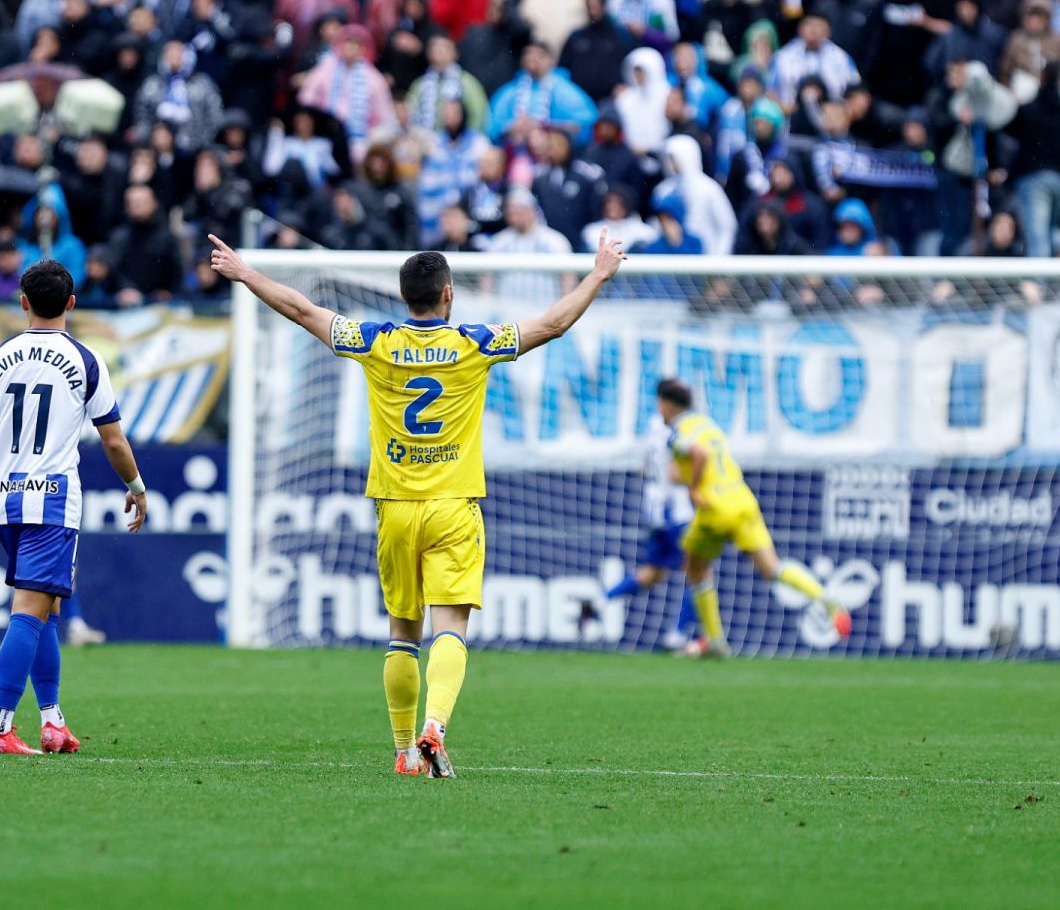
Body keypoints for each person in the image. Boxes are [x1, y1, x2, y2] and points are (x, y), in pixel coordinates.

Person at [205, 232, 627, 778]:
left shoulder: (374, 339)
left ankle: (405, 751)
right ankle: (437, 728)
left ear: (404, 297)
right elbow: (552, 325)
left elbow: (302, 308)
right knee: (449, 626)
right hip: (453, 505)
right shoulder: (475, 343)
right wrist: (597, 274)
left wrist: (247, 273)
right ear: (448, 294)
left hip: (395, 507)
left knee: (402, 632)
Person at [0, 260, 150, 755]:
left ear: (23, 302)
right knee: (30, 612)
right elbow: (113, 440)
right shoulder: (84, 361)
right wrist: (137, 486)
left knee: (48, 609)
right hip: (53, 500)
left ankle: (52, 720)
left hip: (2, 499)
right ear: (72, 304)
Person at [653, 377, 850, 659]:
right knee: (772, 568)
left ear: (667, 404)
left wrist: (694, 488)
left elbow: (699, 454)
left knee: (694, 566)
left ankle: (716, 640)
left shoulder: (677, 431)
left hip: (715, 506)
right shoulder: (707, 425)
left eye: (660, 405)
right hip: (741, 498)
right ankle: (825, 597)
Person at [577, 414, 696, 651]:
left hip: (653, 513)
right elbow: (674, 474)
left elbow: (644, 469)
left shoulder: (652, 428)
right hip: (675, 513)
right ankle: (678, 635)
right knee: (698, 573)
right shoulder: (678, 432)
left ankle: (598, 602)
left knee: (652, 574)